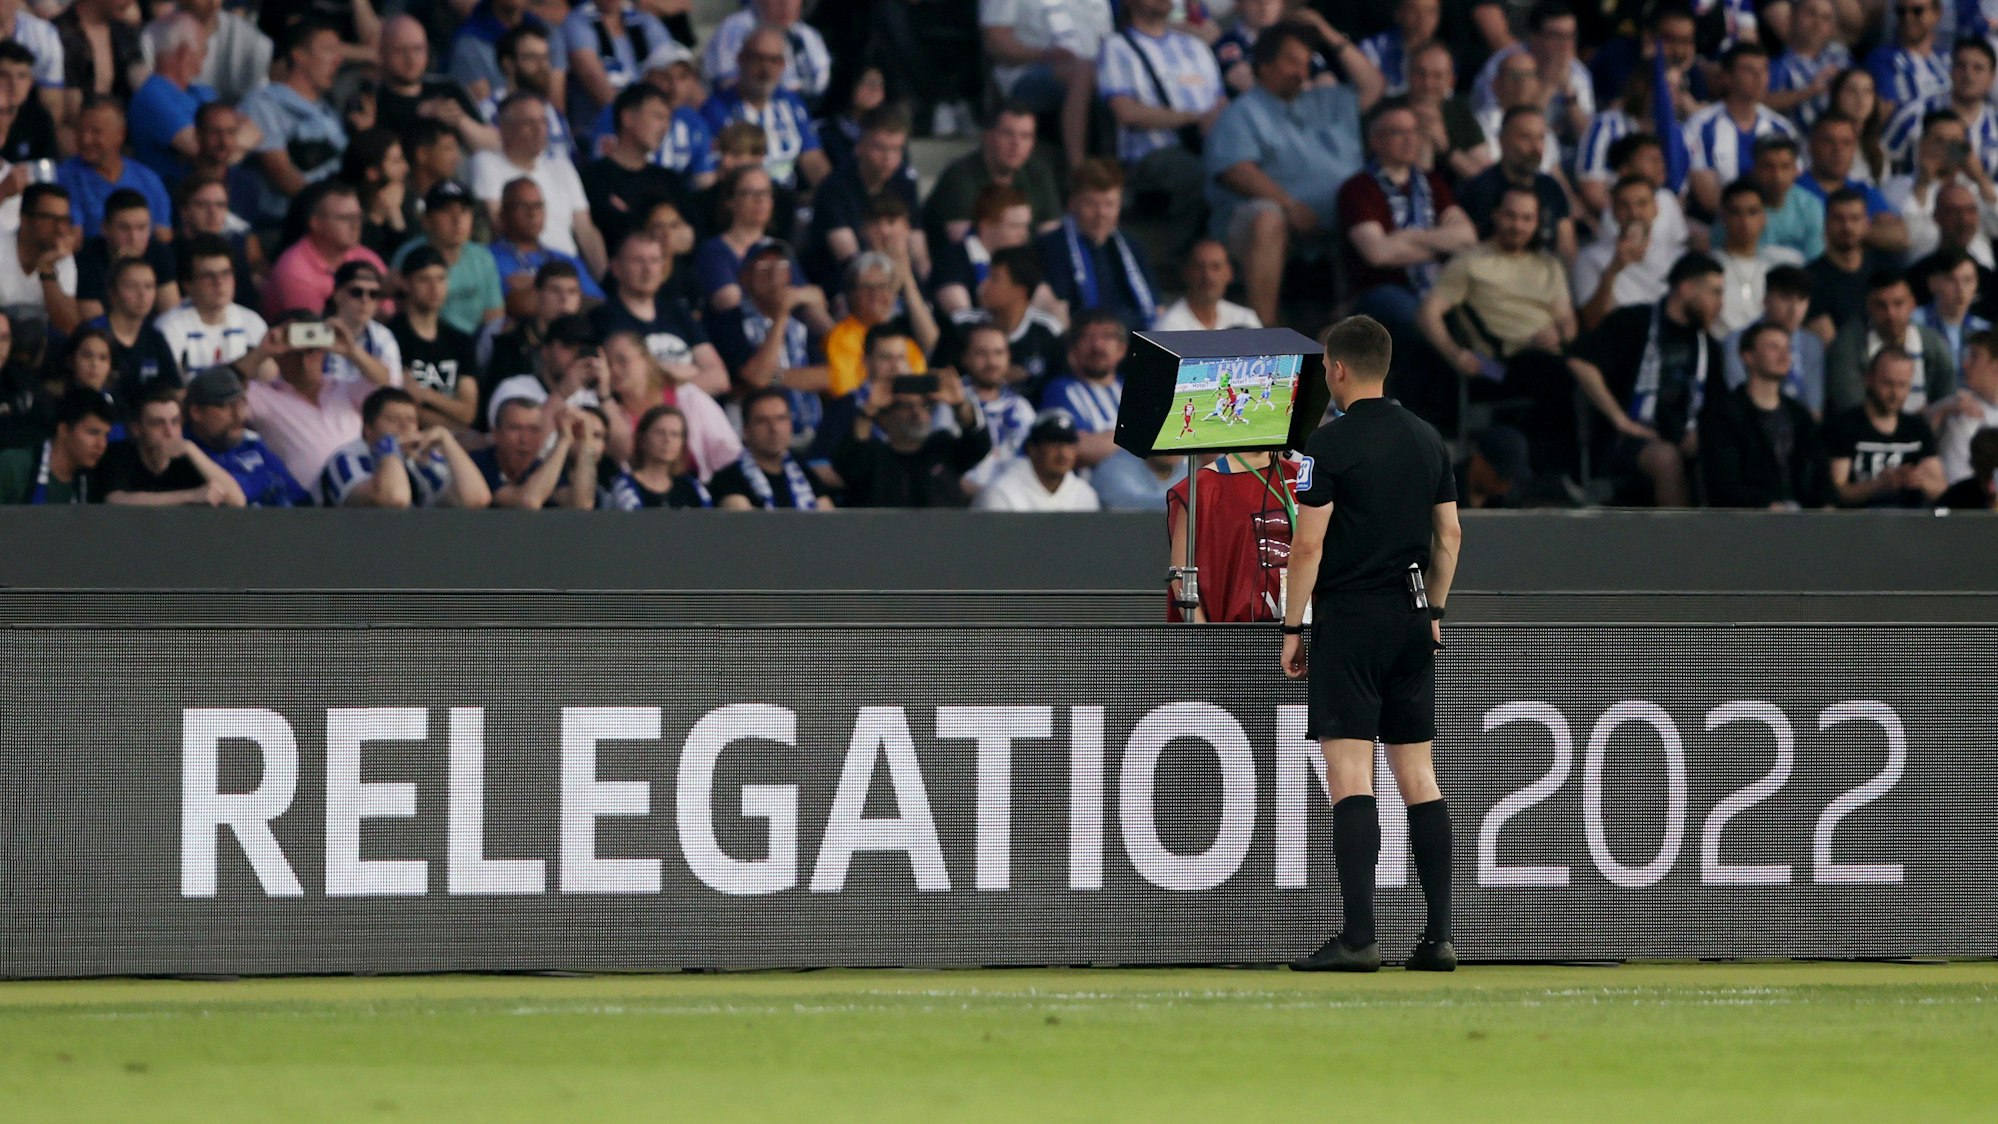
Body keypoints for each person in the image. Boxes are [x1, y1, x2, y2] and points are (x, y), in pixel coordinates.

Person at [1281, 314, 1459, 975]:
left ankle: (1359, 938)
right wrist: (1434, 609)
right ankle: (1439, 937)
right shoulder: (1427, 439)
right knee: (1419, 777)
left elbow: (1308, 544)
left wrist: (1293, 626)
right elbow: (1451, 537)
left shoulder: (1327, 446)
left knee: (1351, 776)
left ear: (1337, 369)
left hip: (1351, 621)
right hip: (1413, 619)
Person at [1204, 23, 1376, 327]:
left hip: (1342, 219)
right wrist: (1289, 205)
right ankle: (1265, 332)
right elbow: (1236, 171)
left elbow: (1373, 85)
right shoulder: (1243, 112)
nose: (1302, 70)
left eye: (1306, 62)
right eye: (1291, 61)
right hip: (1269, 223)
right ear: (1264, 65)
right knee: (1267, 216)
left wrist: (1327, 32)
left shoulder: (1327, 100)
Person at [1340, 103, 1479, 409]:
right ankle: (1422, 416)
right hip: (1380, 289)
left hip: (1438, 285)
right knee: (1420, 323)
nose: (1409, 139)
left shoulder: (1432, 184)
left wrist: (1409, 237)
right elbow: (1376, 254)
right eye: (1398, 133)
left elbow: (1467, 238)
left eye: (1413, 132)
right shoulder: (1358, 189)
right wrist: (1439, 242)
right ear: (1376, 142)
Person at [1567, 253, 1728, 507]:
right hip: (1627, 441)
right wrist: (1619, 418)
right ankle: (1677, 541)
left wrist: (1699, 433)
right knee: (1666, 458)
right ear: (1686, 288)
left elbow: (1717, 405)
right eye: (1715, 292)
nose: (1720, 302)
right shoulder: (1633, 322)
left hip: (1682, 436)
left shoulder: (1709, 346)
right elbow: (1580, 362)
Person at [1095, 0, 1225, 266]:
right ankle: (1180, 260)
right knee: (1202, 176)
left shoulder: (1195, 47)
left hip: (1210, 144)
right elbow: (1125, 111)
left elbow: (1221, 103)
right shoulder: (1117, 46)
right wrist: (1191, 118)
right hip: (1150, 153)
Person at [833, 323, 990, 508]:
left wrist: (960, 405)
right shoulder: (873, 458)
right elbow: (847, 463)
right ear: (885, 417)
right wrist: (868, 412)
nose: (917, 413)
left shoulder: (942, 448)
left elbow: (979, 445)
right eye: (905, 407)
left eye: (924, 406)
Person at [244, 309, 402, 486]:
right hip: (307, 503)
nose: (304, 360)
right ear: (279, 356)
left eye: (311, 350)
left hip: (360, 490)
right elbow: (218, 389)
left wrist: (351, 350)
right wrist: (263, 352)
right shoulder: (262, 395)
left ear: (323, 350)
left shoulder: (345, 388)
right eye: (294, 352)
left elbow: (386, 383)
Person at [704, 238, 829, 448]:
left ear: (790, 275)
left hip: (810, 434)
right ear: (745, 278)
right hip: (754, 440)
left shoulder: (801, 320)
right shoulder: (728, 321)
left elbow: (831, 376)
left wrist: (774, 377)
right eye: (763, 267)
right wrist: (780, 317)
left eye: (781, 266)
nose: (773, 274)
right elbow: (753, 376)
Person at [471, 92, 607, 278]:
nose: (539, 129)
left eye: (543, 122)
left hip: (569, 267)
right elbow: (497, 222)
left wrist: (607, 280)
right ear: (504, 129)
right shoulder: (486, 162)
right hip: (522, 266)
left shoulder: (562, 166)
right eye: (528, 123)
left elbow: (586, 229)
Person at [1700, 321, 1832, 508]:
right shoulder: (1723, 414)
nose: (1784, 355)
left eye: (1787, 348)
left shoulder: (1800, 415)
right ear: (1748, 357)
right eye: (1773, 347)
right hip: (1749, 523)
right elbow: (1723, 484)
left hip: (1802, 520)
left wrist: (1827, 505)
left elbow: (1820, 473)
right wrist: (1766, 505)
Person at [1164, 443, 1298, 622]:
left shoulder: (1303, 476)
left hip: (1309, 629)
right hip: (1232, 633)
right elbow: (1180, 578)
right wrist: (1207, 643)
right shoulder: (1200, 488)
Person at [589, 229, 729, 394]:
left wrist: (664, 384)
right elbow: (626, 386)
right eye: (638, 260)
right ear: (616, 268)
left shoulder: (678, 312)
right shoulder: (602, 319)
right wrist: (688, 373)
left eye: (654, 260)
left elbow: (720, 378)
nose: (648, 269)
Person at [802, 104, 924, 291]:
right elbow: (850, 261)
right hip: (845, 286)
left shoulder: (905, 183)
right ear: (860, 146)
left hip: (898, 277)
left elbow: (918, 250)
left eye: (896, 150)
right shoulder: (835, 188)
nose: (888, 158)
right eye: (880, 148)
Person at [979, 0, 1112, 170]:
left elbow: (1106, 41)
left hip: (1093, 69)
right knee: (1082, 72)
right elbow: (996, 40)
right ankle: (1077, 168)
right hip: (1030, 69)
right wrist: (1044, 55)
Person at [238, 21, 347, 228]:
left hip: (331, 222)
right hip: (282, 222)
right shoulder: (264, 103)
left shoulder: (329, 110)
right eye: (328, 50)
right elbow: (280, 170)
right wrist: (330, 211)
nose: (338, 60)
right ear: (299, 55)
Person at [1035, 157, 1159, 333]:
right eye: (1091, 204)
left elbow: (1154, 306)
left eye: (1109, 205)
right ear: (1073, 204)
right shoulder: (1051, 246)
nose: (1101, 214)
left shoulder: (1132, 246)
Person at [699, 27, 830, 190]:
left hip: (789, 200)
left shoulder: (791, 102)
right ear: (741, 60)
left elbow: (812, 157)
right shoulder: (716, 108)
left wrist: (831, 194)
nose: (766, 69)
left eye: (774, 61)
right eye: (758, 59)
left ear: (783, 66)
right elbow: (710, 173)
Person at [318, 385, 490, 508]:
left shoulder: (420, 459)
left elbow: (477, 499)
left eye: (411, 421)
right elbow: (394, 499)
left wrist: (447, 441)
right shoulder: (346, 459)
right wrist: (390, 448)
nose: (405, 427)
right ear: (368, 429)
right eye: (393, 420)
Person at [600, 327, 740, 478]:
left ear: (646, 360)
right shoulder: (610, 410)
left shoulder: (688, 397)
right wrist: (604, 396)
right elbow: (624, 455)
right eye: (607, 364)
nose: (613, 370)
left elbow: (727, 449)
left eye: (622, 360)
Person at [1683, 45, 1800, 219]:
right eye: (1749, 70)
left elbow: (1792, 185)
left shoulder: (1782, 128)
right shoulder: (1700, 126)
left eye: (1764, 70)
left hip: (1774, 223)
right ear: (1727, 78)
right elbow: (1707, 196)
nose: (1759, 77)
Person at [932, 245, 1064, 400]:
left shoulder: (1049, 332)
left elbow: (1058, 388)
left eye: (994, 279)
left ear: (1020, 291)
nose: (984, 285)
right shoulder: (962, 326)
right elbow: (937, 376)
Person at [922, 102, 1062, 246]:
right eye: (1008, 134)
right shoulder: (960, 175)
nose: (1016, 144)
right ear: (987, 136)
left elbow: (1051, 239)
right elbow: (965, 246)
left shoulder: (1038, 173)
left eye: (1025, 136)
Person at [1825, 348, 1948, 506]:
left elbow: (1941, 490)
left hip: (1910, 523)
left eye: (1902, 385)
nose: (1895, 393)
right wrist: (1879, 485)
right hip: (1857, 525)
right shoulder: (1845, 426)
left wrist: (1917, 479)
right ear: (1869, 379)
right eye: (1888, 383)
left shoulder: (1918, 428)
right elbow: (1837, 491)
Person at [1826, 269, 1956, 415]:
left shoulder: (1932, 343)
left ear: (1912, 304)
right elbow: (1850, 405)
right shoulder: (1848, 343)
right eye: (1881, 305)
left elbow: (1947, 397)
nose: (1891, 314)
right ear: (1869, 306)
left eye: (1898, 303)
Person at [97, 380, 245, 507]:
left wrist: (190, 448)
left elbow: (237, 501)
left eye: (175, 422)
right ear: (137, 429)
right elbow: (115, 500)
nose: (169, 432)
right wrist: (190, 496)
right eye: (157, 423)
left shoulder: (189, 457)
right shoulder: (120, 454)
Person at [1457, 106, 1575, 263]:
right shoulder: (1478, 191)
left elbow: (1567, 249)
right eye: (1525, 138)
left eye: (1540, 138)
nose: (1536, 148)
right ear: (1502, 141)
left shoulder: (1551, 187)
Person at [388, 181, 505, 336]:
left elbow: (494, 317)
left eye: (464, 211)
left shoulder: (482, 258)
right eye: (446, 211)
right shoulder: (409, 255)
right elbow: (398, 310)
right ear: (426, 220)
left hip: (473, 345)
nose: (457, 220)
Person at [181, 364, 308, 506]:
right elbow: (237, 499)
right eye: (226, 406)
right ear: (196, 412)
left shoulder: (252, 443)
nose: (239, 415)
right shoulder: (186, 456)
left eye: (241, 404)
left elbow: (299, 497)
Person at [581, 82, 685, 255]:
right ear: (628, 118)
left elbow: (692, 234)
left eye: (668, 119)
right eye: (658, 117)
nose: (665, 127)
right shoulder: (593, 179)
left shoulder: (669, 180)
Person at [386, 246, 481, 432]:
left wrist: (425, 394)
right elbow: (405, 409)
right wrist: (457, 429)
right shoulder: (391, 336)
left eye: (441, 278)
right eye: (424, 279)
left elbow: (468, 412)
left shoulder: (460, 340)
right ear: (405, 283)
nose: (434, 288)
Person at [371, 15, 498, 153]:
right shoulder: (374, 100)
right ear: (382, 53)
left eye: (418, 49)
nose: (411, 59)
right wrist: (420, 117)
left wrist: (458, 119)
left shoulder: (447, 87)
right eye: (400, 51)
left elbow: (495, 144)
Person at [262, 183, 390, 319]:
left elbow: (389, 313)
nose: (355, 225)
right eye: (345, 218)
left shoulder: (366, 257)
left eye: (358, 217)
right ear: (315, 223)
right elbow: (315, 330)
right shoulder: (294, 269)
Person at [126, 10, 222, 186]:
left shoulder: (203, 92)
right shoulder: (152, 96)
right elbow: (205, 149)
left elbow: (234, 141)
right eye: (203, 47)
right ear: (184, 52)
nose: (205, 54)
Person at [487, 176, 605, 316]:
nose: (532, 213)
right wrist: (568, 292)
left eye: (538, 206)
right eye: (522, 206)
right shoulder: (485, 258)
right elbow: (514, 306)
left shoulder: (565, 259)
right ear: (503, 214)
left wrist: (534, 285)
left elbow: (599, 304)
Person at [1574, 174, 1679, 330]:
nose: (1634, 213)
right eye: (1624, 205)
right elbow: (1592, 322)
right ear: (1613, 210)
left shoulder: (1678, 257)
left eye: (1642, 204)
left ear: (1656, 208)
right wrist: (1613, 270)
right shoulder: (1589, 258)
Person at [157, 234, 270, 377]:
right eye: (208, 276)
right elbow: (173, 388)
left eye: (226, 274)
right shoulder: (168, 327)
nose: (219, 283)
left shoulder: (252, 322)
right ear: (187, 284)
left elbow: (269, 380)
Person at [824, 251, 933, 398]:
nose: (875, 294)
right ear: (851, 294)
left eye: (882, 286)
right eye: (867, 287)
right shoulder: (841, 337)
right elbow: (847, 390)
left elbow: (920, 384)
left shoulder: (901, 338)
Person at [1724, 264, 1829, 416]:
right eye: (1785, 298)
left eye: (1801, 300)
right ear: (1765, 299)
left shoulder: (1812, 344)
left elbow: (1814, 408)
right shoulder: (1736, 341)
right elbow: (1735, 396)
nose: (1794, 310)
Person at [709, 386, 834, 509]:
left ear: (791, 425)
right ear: (746, 431)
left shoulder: (806, 475)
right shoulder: (729, 479)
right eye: (762, 421)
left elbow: (829, 522)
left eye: (781, 418)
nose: (774, 428)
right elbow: (743, 525)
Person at [955, 321, 1037, 497]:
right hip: (965, 508)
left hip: (1018, 506)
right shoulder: (952, 404)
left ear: (1008, 357)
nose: (991, 361)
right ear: (965, 358)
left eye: (998, 353)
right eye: (981, 353)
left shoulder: (1022, 407)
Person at [73, 188, 181, 323]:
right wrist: (121, 269)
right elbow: (95, 326)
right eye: (124, 228)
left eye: (141, 228)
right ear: (105, 229)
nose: (134, 238)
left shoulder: (159, 253)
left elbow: (171, 316)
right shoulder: (87, 260)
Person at [473, 396, 601, 509]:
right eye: (515, 428)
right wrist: (563, 440)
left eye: (534, 430)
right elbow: (528, 502)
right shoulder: (480, 463)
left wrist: (586, 442)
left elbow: (582, 505)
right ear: (496, 434)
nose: (525, 439)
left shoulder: (541, 466)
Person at [1714, 179, 1805, 335]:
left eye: (1752, 212)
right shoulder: (1711, 266)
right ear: (1723, 216)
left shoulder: (1782, 264)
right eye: (1736, 213)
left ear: (1764, 216)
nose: (1745, 222)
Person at [932, 183, 1037, 316]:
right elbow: (960, 313)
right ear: (986, 225)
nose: (1024, 234)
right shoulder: (953, 260)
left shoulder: (1024, 261)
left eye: (1026, 226)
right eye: (1014, 226)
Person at [702, 0, 832, 105]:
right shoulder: (735, 28)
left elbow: (820, 84)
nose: (786, 4)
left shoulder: (807, 35)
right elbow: (725, 82)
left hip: (801, 114)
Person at [87, 257, 179, 401]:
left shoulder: (155, 338)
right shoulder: (92, 333)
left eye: (149, 286)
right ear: (112, 293)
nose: (142, 294)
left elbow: (175, 389)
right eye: (131, 286)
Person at [1805, 189, 1893, 339]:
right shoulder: (1810, 279)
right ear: (1825, 223)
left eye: (1855, 218)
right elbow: (1829, 343)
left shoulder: (1886, 270)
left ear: (1867, 223)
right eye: (1838, 219)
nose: (1847, 227)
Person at [450, 0, 569, 111]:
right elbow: (483, 114)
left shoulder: (547, 32)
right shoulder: (469, 42)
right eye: (530, 56)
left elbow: (556, 104)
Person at [973, 408, 1099, 512]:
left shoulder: (1084, 494)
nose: (1063, 454)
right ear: (1032, 449)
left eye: (1069, 445)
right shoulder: (1001, 493)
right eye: (1055, 445)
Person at [478, 23, 573, 160]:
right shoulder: (489, 110)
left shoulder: (552, 112)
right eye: (531, 57)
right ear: (508, 64)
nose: (542, 66)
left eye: (545, 57)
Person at [0, 389, 112, 504]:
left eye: (106, 435)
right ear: (63, 430)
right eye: (93, 432)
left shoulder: (95, 483)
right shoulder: (13, 466)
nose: (101, 444)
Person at [2, 182, 81, 339]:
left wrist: (47, 269)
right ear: (25, 219)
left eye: (64, 220)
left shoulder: (62, 258)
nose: (60, 229)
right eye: (50, 219)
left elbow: (68, 325)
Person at [607, 403, 713, 509]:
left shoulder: (693, 488)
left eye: (675, 434)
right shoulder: (625, 486)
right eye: (660, 432)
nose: (667, 440)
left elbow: (709, 521)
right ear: (642, 439)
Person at [1927, 328, 1998, 483]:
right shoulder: (1956, 406)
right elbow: (1914, 435)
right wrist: (1943, 410)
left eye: (1974, 357)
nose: (1965, 365)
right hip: (1960, 500)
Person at [1767, 0, 1851, 128]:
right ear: (1792, 17)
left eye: (1825, 18)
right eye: (1811, 14)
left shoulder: (1841, 57)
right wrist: (1810, 91)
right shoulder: (1777, 64)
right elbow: (1761, 103)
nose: (1818, 23)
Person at [1155, 239, 1261, 331]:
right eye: (1199, 267)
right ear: (1186, 272)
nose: (1208, 275)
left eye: (1216, 267)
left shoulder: (1246, 319)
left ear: (1229, 273)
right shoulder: (1167, 327)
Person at [1914, 248, 1992, 373]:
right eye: (1951, 280)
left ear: (1976, 284)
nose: (1960, 289)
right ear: (1933, 283)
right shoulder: (1913, 323)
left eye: (1967, 280)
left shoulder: (1985, 331)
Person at [1863, 0, 1948, 113]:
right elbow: (1889, 112)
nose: (1908, 17)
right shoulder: (1881, 60)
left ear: (1937, 13)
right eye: (1901, 12)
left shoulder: (1948, 61)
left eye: (1917, 11)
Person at [1752, 135, 1825, 263]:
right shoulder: (1737, 204)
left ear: (1796, 170)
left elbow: (1815, 261)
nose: (1777, 176)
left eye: (1784, 167)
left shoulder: (1811, 206)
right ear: (1756, 169)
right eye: (1768, 167)